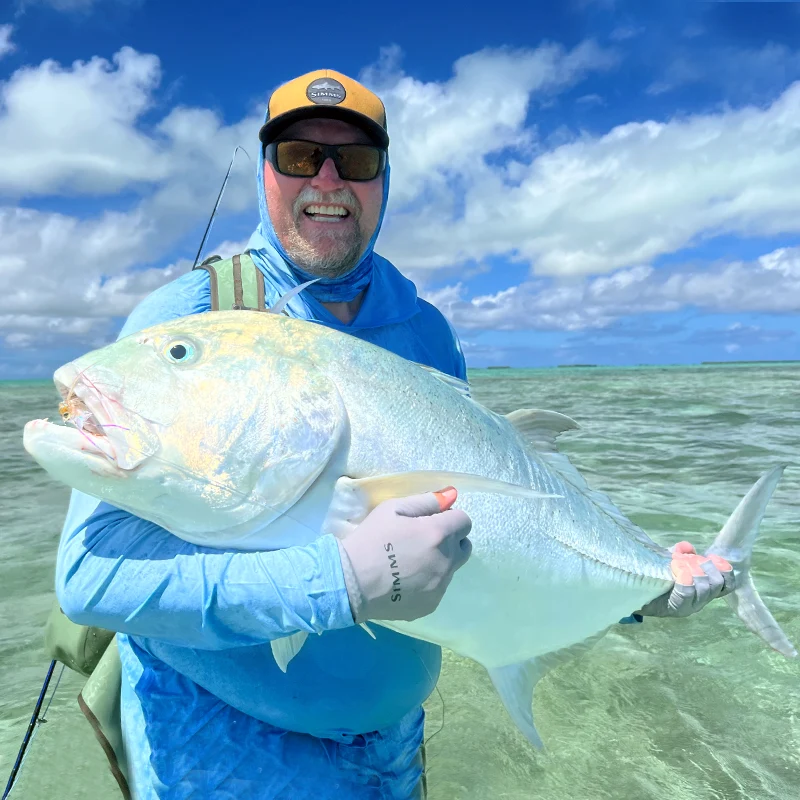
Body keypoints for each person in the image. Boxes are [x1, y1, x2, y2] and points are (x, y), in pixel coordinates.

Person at [55, 69, 734, 800]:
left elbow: (499, 525)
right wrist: (336, 582)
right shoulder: (192, 317)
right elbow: (93, 577)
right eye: (297, 156)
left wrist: (637, 587)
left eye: (355, 160)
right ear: (264, 172)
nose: (327, 179)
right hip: (221, 739)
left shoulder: (425, 330)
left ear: (383, 178)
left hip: (389, 740)